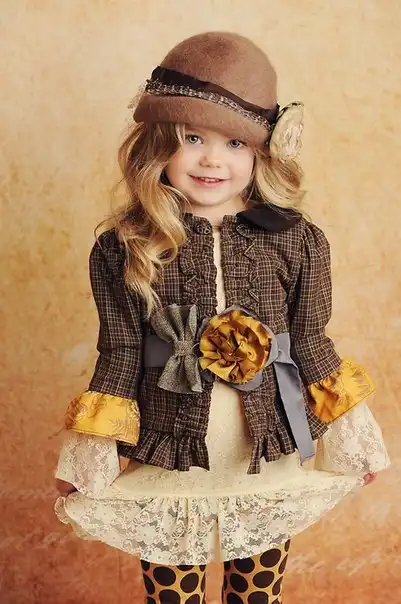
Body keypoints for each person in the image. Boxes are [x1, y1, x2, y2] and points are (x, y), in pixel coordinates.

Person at [53, 32, 390, 603]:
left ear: (262, 151)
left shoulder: (298, 242)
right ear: (159, 144)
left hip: (265, 461)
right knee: (171, 596)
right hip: (170, 458)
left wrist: (351, 435)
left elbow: (310, 342)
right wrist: (89, 453)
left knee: (257, 594)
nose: (213, 159)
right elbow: (121, 356)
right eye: (193, 138)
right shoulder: (125, 247)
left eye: (235, 142)